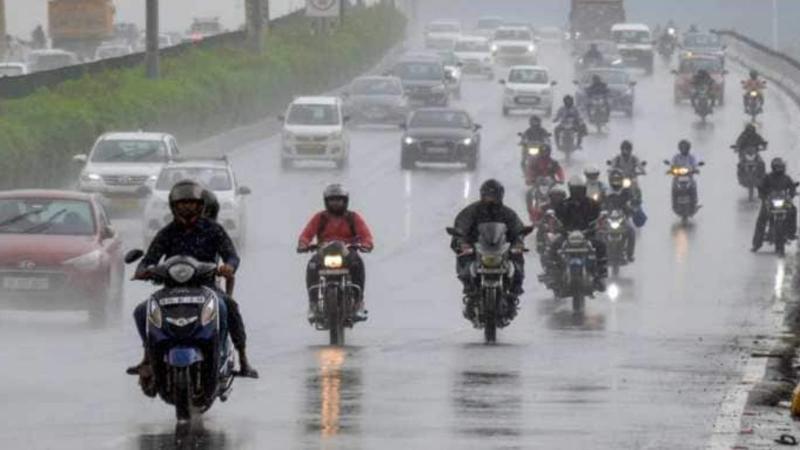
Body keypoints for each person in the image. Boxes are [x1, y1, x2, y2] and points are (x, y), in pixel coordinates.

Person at [128, 180, 258, 393]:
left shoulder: (214, 230)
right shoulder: (167, 232)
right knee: (142, 311)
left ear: (201, 206)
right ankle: (149, 357)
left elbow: (231, 255)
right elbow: (150, 258)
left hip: (206, 287)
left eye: (191, 203)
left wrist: (228, 267)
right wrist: (143, 269)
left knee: (228, 306)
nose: (187, 207)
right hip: (170, 288)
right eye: (182, 203)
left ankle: (241, 358)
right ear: (173, 206)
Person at [450, 179, 527, 320]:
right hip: (477, 249)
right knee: (464, 258)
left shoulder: (508, 213)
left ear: (500, 196)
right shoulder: (472, 211)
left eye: (493, 195)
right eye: (487, 195)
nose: (490, 199)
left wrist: (518, 242)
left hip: (501, 250)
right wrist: (462, 241)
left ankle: (514, 291)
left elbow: (517, 229)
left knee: (517, 258)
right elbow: (461, 225)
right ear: (482, 195)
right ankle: (470, 290)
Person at [297, 184, 373, 322]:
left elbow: (365, 234)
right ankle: (313, 304)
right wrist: (303, 244)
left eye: (339, 200)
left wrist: (366, 244)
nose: (336, 203)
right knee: (312, 265)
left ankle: (358, 302)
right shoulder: (320, 218)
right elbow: (306, 234)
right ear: (326, 201)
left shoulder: (353, 217)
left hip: (347, 251)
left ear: (345, 201)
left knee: (357, 264)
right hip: (324, 251)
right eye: (332, 200)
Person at [549, 176, 607, 291]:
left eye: (579, 189)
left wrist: (596, 226)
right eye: (574, 189)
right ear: (570, 190)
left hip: (587, 234)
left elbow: (598, 218)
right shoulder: (563, 205)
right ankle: (555, 275)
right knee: (554, 246)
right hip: (567, 235)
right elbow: (557, 219)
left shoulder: (592, 204)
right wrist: (558, 228)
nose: (577, 192)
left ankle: (600, 275)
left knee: (601, 245)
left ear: (584, 189)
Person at [752, 158, 798, 252]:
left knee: (793, 210)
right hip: (770, 203)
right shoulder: (767, 177)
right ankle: (757, 243)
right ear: (773, 167)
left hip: (784, 202)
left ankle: (791, 233)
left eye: (781, 167)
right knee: (761, 219)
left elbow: (792, 187)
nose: (779, 169)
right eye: (777, 167)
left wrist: (791, 194)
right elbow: (761, 187)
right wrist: (763, 196)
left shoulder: (786, 178)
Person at [603, 170, 637, 262]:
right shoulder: (605, 192)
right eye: (614, 180)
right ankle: (600, 254)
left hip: (622, 218)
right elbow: (599, 204)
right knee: (598, 232)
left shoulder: (626, 192)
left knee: (631, 232)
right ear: (610, 180)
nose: (616, 182)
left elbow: (632, 202)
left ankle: (630, 254)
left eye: (618, 180)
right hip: (608, 219)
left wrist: (632, 208)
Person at [670, 139, 701, 206]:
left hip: (689, 176)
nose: (683, 149)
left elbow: (694, 165)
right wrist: (672, 170)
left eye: (685, 147)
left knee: (693, 184)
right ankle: (674, 202)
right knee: (674, 186)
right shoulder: (676, 157)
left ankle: (694, 201)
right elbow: (672, 165)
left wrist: (695, 170)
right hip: (678, 176)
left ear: (688, 148)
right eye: (682, 147)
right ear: (679, 148)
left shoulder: (691, 157)